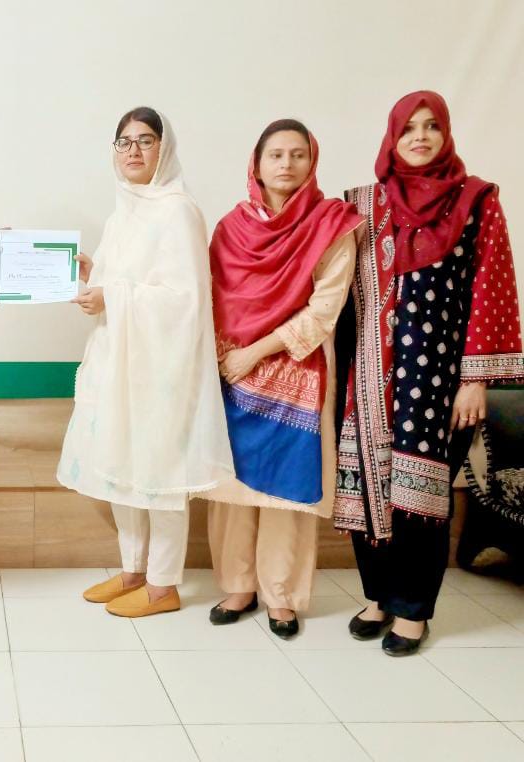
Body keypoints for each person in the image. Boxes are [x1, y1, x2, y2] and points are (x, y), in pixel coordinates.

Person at [335, 91, 523, 655]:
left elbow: (492, 288)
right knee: (368, 483)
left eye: (431, 126)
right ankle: (378, 595)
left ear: (445, 135)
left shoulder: (475, 200)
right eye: (408, 128)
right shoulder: (362, 205)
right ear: (392, 138)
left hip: (440, 380)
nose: (419, 137)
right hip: (369, 375)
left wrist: (476, 378)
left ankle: (413, 609)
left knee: (421, 493)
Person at [58, 107, 233, 618]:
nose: (133, 151)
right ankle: (132, 570)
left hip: (161, 370)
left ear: (164, 148)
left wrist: (112, 295)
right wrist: (95, 275)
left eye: (146, 140)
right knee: (121, 468)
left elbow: (185, 299)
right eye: (124, 141)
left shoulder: (178, 210)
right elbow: (125, 280)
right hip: (118, 364)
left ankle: (162, 585)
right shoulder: (122, 214)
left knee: (159, 475)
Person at [204, 119, 361, 638]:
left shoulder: (332, 224)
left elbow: (324, 311)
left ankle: (281, 596)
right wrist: (232, 358)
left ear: (312, 162)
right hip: (231, 370)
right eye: (276, 154)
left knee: (286, 492)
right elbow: (213, 298)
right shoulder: (231, 228)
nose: (286, 164)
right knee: (232, 486)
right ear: (257, 163)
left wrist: (256, 353)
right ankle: (238, 586)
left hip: (297, 368)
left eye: (298, 154)